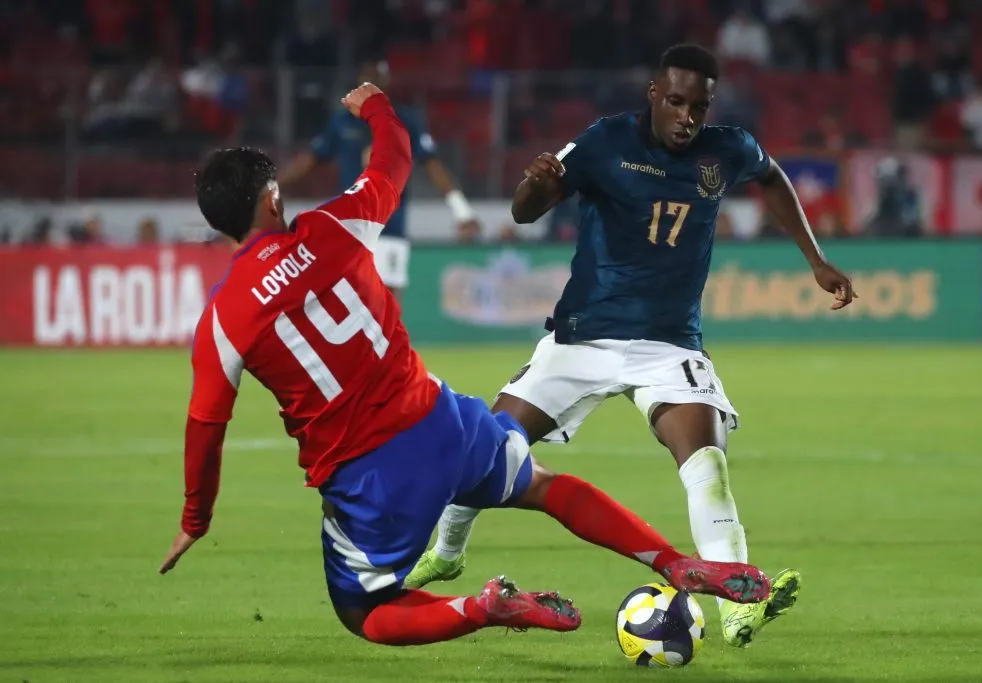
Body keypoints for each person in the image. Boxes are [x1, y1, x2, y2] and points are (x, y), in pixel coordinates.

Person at [158, 82, 771, 648]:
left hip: (369, 475)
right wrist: (376, 105)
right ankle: (671, 562)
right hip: (444, 423)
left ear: (217, 224)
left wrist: (195, 518)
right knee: (544, 486)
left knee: (362, 611)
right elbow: (393, 160)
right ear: (274, 197)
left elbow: (204, 426)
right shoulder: (333, 227)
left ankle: (482, 608)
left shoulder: (222, 318)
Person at [409, 44, 858, 648]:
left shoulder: (728, 149)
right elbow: (524, 211)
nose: (687, 118)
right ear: (653, 94)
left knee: (707, 465)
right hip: (582, 338)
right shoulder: (605, 141)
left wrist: (816, 259)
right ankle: (447, 553)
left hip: (669, 347)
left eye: (698, 107)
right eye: (675, 102)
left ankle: (737, 607)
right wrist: (534, 186)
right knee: (487, 450)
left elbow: (772, 178)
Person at [278, 60, 480, 304]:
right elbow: (310, 161)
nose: (372, 84)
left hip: (390, 225)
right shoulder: (340, 123)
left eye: (378, 79)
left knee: (388, 304)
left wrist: (462, 211)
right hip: (350, 227)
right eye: (367, 78)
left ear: (387, 84)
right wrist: (271, 189)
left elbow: (433, 165)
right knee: (347, 302)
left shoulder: (405, 121)